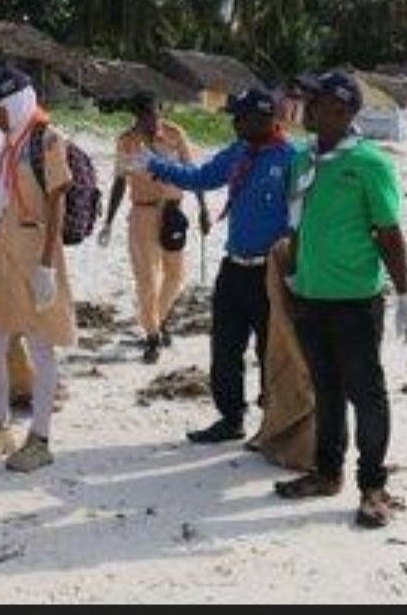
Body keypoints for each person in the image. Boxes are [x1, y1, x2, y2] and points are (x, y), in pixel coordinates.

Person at [273, 71, 407, 530]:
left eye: (314, 103)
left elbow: (389, 233)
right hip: (310, 298)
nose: (306, 109)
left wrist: (405, 297)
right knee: (327, 391)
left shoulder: (370, 163)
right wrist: (293, 275)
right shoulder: (303, 160)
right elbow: (296, 223)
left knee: (366, 394)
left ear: (340, 110)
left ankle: (373, 486)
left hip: (356, 301)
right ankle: (326, 472)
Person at [120, 88, 295, 444]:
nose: (234, 122)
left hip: (270, 271)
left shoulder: (292, 158)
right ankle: (231, 419)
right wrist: (154, 165)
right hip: (234, 266)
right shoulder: (238, 153)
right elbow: (199, 177)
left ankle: (272, 421)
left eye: (241, 116)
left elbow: (304, 217)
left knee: (269, 350)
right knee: (225, 348)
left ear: (265, 119)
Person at [0, 67, 76, 472]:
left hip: (35, 253)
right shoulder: (9, 143)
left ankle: (41, 438)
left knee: (41, 345)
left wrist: (47, 264)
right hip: (3, 251)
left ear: (14, 103)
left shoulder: (46, 139)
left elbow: (56, 203)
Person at [98, 91, 211, 364]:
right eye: (147, 115)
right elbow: (120, 182)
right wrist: (109, 222)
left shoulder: (174, 134)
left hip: (174, 211)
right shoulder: (127, 142)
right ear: (137, 116)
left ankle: (156, 321)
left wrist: (203, 209)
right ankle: (152, 336)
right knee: (147, 278)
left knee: (176, 275)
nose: (153, 119)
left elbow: (192, 172)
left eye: (156, 113)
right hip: (142, 214)